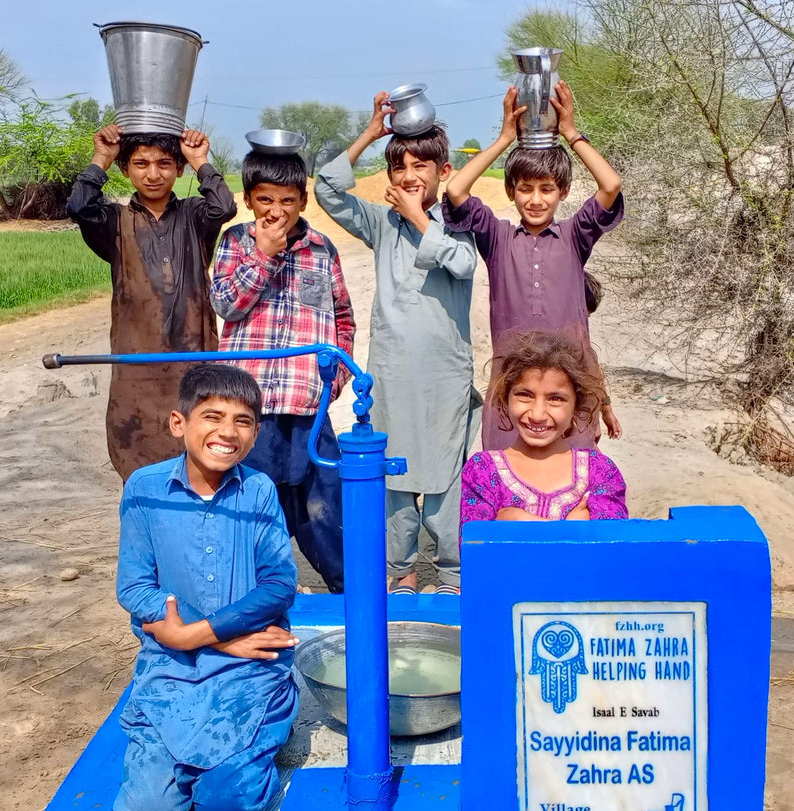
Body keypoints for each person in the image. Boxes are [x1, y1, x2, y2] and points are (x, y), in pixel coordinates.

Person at [114, 364, 299, 811]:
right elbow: (135, 588)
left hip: (249, 665)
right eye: (212, 416)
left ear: (256, 434)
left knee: (227, 807)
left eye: (242, 421)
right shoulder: (145, 490)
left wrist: (198, 634)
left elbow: (278, 585)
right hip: (172, 667)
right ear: (180, 423)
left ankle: (267, 734)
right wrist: (216, 640)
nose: (226, 432)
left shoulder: (257, 491)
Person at [315, 92, 479, 596]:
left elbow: (462, 264)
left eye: (421, 166)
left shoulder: (460, 221)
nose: (410, 176)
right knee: (395, 477)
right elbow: (327, 191)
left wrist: (418, 217)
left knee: (448, 476)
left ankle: (452, 574)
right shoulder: (380, 224)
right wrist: (370, 133)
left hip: (446, 379)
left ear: (443, 170)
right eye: (400, 167)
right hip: (391, 376)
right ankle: (402, 571)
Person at [443, 81, 624, 451]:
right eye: (525, 189)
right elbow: (456, 191)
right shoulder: (497, 237)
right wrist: (505, 138)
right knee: (510, 489)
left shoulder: (575, 236)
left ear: (564, 192)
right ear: (511, 191)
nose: (536, 200)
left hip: (570, 393)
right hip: (513, 393)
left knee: (571, 490)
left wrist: (572, 133)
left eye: (547, 189)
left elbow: (611, 184)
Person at [210, 149, 354, 594]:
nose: (277, 211)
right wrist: (264, 257)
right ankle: (250, 596)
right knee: (250, 502)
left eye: (287, 200)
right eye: (265, 199)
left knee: (325, 501)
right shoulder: (235, 243)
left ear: (303, 201)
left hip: (307, 402)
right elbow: (225, 303)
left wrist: (334, 381)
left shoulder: (321, 250)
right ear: (250, 199)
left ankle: (348, 592)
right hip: (248, 407)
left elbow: (343, 319)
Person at [66, 125, 237, 481]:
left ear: (179, 168)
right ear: (125, 170)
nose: (154, 174)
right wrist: (102, 157)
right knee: (139, 461)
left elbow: (224, 205)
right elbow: (80, 206)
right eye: (141, 164)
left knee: (201, 456)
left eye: (164, 163)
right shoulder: (114, 222)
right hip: (136, 370)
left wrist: (200, 159)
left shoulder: (194, 216)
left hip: (194, 362)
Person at [460, 333, 627, 527]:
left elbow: (610, 547)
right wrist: (573, 529)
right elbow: (475, 549)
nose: (537, 415)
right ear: (506, 399)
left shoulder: (599, 471)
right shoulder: (482, 471)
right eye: (524, 395)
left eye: (555, 398)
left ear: (576, 405)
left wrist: (520, 521)